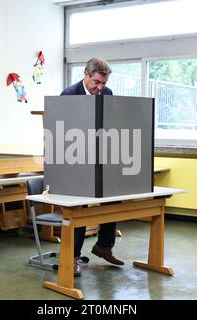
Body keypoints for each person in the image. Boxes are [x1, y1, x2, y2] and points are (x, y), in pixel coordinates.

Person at [60, 58, 124, 277]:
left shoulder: (107, 94)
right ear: (86, 75)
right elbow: (62, 132)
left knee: (113, 198)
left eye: (103, 83)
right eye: (96, 82)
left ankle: (104, 246)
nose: (100, 87)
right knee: (78, 208)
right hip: (74, 160)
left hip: (101, 158)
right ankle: (72, 257)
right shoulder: (69, 96)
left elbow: (112, 123)